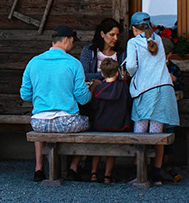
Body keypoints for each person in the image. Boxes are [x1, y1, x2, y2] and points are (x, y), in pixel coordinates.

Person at [20, 26, 91, 181]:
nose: (72, 45)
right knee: (88, 122)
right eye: (72, 41)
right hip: (67, 122)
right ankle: (73, 167)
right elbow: (83, 98)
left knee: (41, 125)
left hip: (39, 122)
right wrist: (90, 91)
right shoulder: (74, 64)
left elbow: (25, 94)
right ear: (66, 40)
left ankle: (39, 168)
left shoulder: (33, 62)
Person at [124, 13, 179, 185]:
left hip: (145, 90)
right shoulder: (159, 40)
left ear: (134, 28)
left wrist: (131, 74)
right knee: (157, 131)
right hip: (164, 88)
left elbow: (131, 66)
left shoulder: (133, 42)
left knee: (140, 129)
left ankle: (139, 170)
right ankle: (156, 171)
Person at [81, 56, 133, 183]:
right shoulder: (123, 88)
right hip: (118, 125)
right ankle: (107, 175)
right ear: (117, 72)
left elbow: (94, 106)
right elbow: (129, 104)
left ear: (102, 73)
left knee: (98, 148)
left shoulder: (98, 89)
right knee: (111, 150)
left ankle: (94, 173)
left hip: (100, 124)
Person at [81, 18, 125, 84]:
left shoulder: (120, 53)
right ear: (102, 34)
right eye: (112, 35)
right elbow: (84, 75)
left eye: (117, 35)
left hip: (115, 91)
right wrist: (102, 75)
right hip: (95, 91)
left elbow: (123, 75)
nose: (116, 38)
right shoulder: (90, 51)